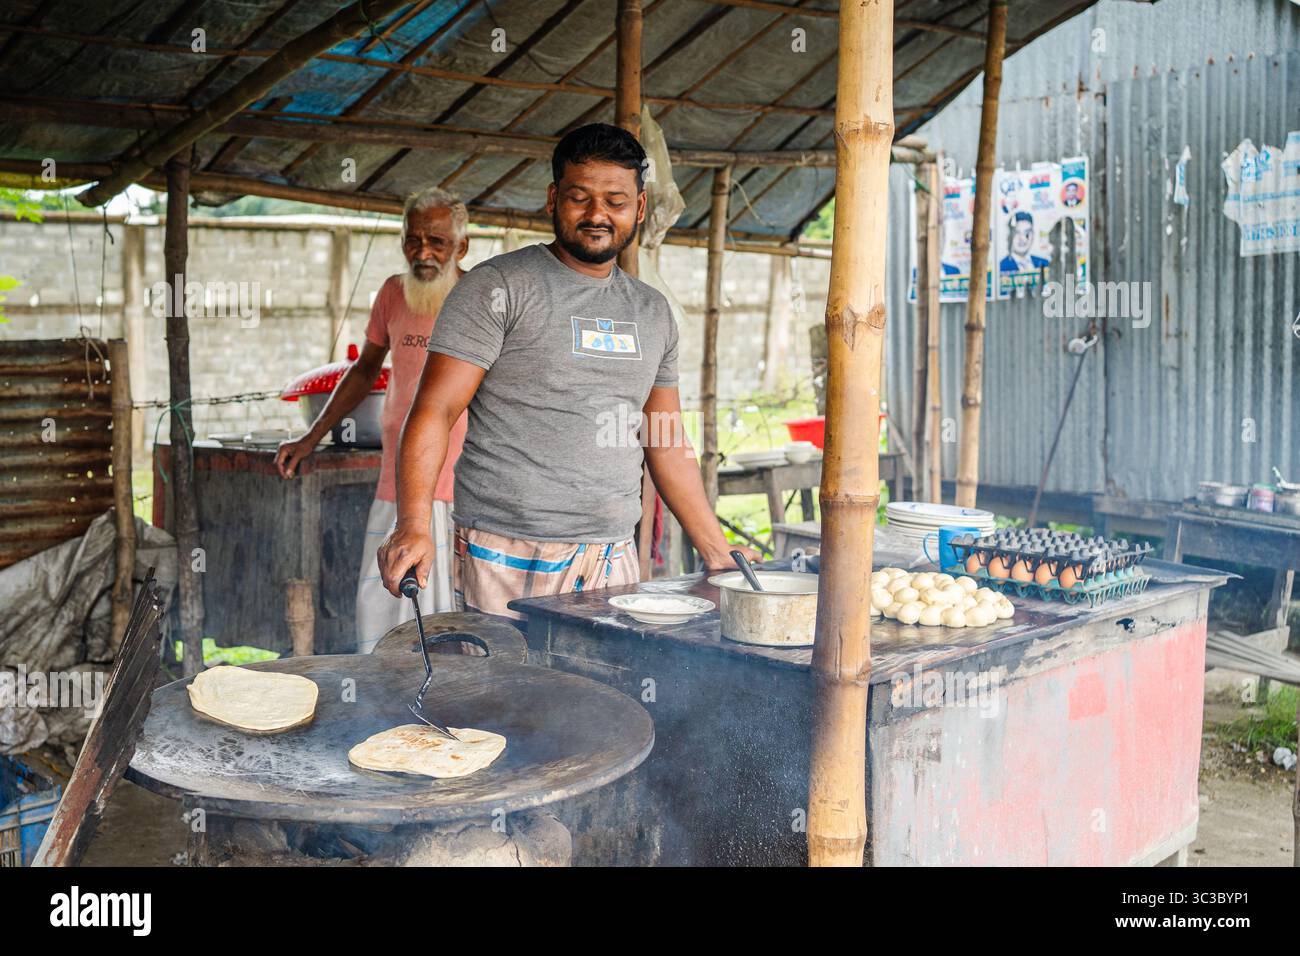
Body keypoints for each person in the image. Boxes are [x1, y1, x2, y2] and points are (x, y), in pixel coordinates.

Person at [376, 123, 757, 622]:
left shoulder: (652, 312)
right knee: (508, 696)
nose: (597, 215)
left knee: (603, 696)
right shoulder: (498, 288)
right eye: (580, 198)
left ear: (639, 208)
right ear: (554, 198)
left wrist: (715, 549)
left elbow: (664, 437)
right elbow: (435, 408)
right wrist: (413, 523)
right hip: (506, 550)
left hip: (612, 556)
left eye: (616, 201)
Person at [275, 187, 470, 651]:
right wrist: (310, 438)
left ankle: (449, 704)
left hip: (459, 479)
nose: (423, 251)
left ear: (461, 247)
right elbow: (364, 371)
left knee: (450, 609)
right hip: (398, 472)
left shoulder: (479, 296)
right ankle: (384, 693)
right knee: (381, 598)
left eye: (437, 241)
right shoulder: (392, 293)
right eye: (413, 239)